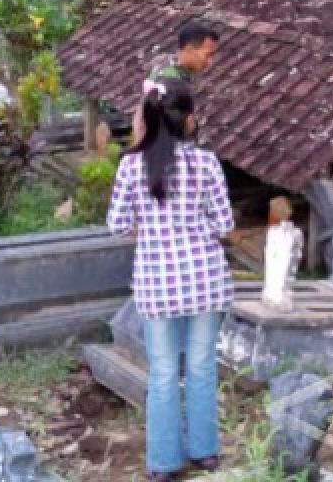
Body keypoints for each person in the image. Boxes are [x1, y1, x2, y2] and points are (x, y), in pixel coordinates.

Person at [108, 77, 234, 482]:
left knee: (162, 374)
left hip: (157, 285)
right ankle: (206, 452)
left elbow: (117, 225)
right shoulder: (206, 163)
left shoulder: (131, 166)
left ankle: (163, 463)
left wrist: (148, 229)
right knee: (201, 367)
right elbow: (225, 224)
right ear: (190, 121)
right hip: (205, 281)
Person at [131, 21, 219, 145]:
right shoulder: (172, 85)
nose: (210, 62)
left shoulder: (162, 64)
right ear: (189, 49)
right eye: (208, 55)